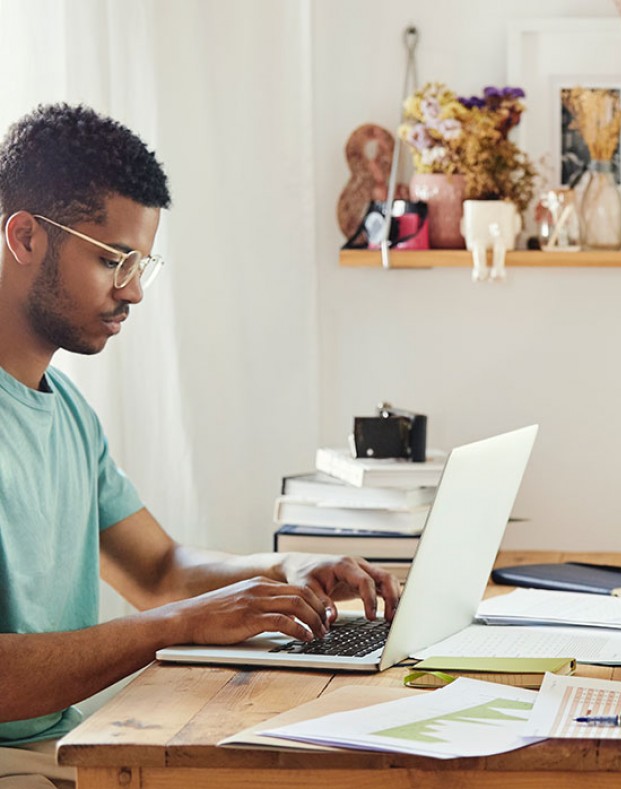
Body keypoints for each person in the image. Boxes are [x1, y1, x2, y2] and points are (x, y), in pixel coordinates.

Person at [0, 104, 400, 787]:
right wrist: (182, 624)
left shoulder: (65, 411)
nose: (132, 291)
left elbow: (158, 569)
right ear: (25, 236)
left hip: (71, 743)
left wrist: (288, 571)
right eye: (111, 259)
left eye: (140, 264)